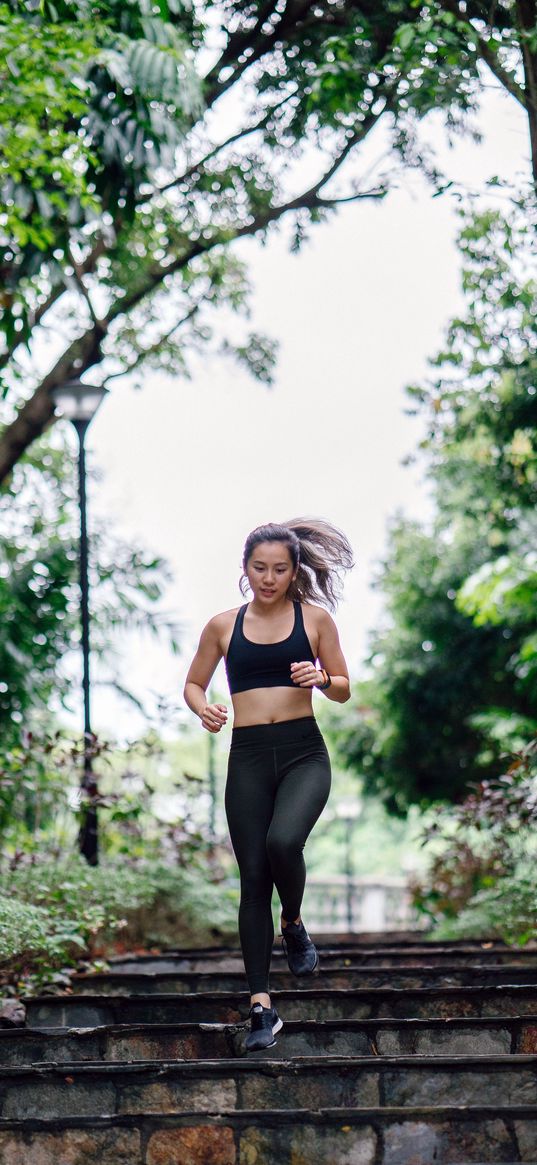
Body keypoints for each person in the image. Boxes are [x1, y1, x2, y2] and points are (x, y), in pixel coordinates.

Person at [183, 518, 353, 1052]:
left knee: (283, 842)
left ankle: (295, 922)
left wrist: (322, 680)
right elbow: (193, 682)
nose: (269, 578)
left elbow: (345, 687)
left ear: (294, 570)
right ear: (245, 568)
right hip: (249, 757)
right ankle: (262, 1007)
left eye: (280, 569)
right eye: (260, 568)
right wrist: (204, 708)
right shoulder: (223, 626)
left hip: (304, 752)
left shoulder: (316, 620)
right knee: (253, 877)